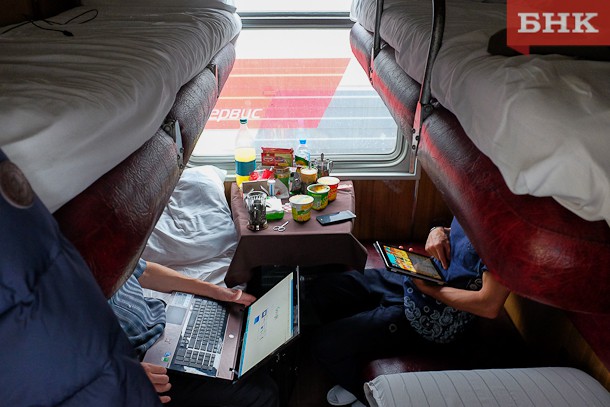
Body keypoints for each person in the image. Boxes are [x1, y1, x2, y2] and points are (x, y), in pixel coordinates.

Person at [307, 217, 510, 406]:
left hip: (433, 316)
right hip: (418, 279)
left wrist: (430, 290)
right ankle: (355, 345)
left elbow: (489, 305)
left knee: (324, 344)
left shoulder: (507, 240)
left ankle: (364, 393)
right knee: (320, 289)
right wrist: (439, 231)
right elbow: (460, 236)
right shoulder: (475, 205)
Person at [109, 258, 280, 406]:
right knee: (262, 391)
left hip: (163, 320)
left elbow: (144, 271)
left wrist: (215, 291)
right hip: (138, 365)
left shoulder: (100, 247)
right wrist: (120, 374)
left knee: (252, 348)